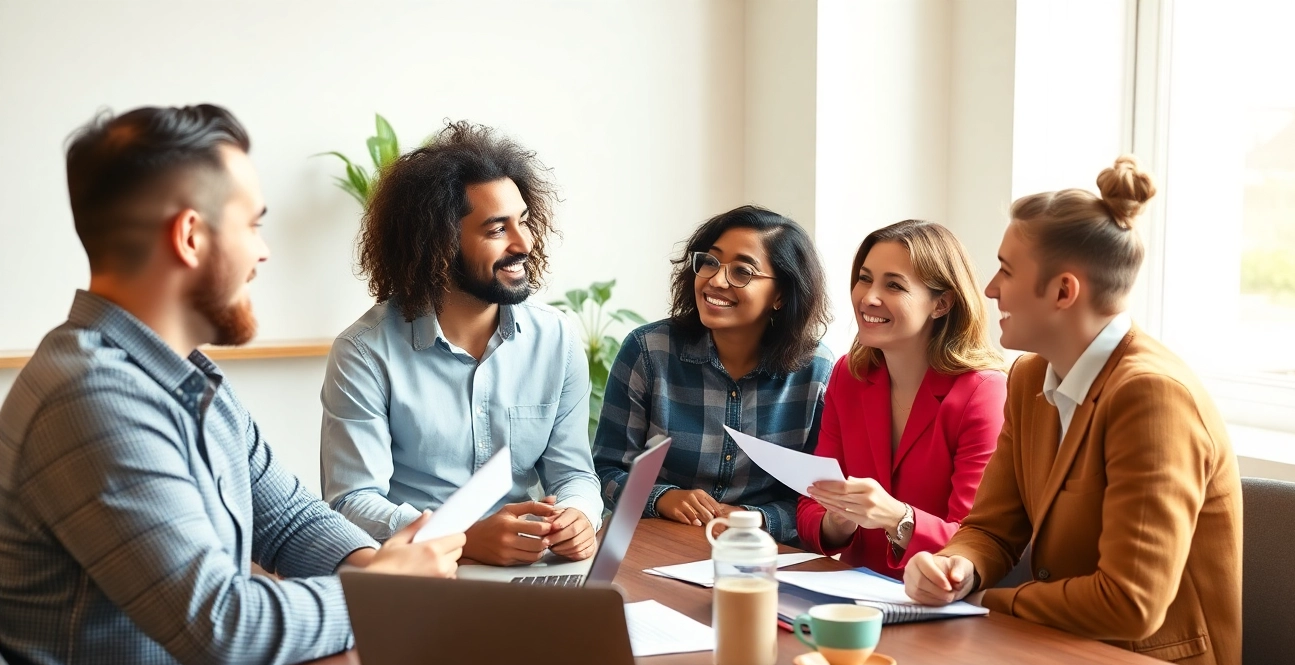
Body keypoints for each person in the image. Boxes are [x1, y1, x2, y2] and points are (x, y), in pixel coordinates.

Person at [0, 105, 464, 665]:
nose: (265, 251)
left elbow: (289, 519)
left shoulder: (181, 377)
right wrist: (383, 595)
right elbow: (220, 628)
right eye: (252, 224)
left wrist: (378, 566)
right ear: (191, 237)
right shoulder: (93, 397)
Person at [905, 157, 1242, 665]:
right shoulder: (1031, 377)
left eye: (1006, 270)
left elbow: (1130, 604)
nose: (989, 289)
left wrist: (984, 604)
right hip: (1061, 664)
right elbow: (990, 528)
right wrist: (957, 567)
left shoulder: (1151, 395)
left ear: (1063, 291)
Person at [321, 120, 602, 566]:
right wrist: (462, 539)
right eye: (497, 230)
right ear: (439, 243)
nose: (523, 243)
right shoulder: (364, 352)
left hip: (529, 570)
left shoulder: (558, 340)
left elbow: (574, 474)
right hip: (416, 577)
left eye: (524, 222)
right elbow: (352, 501)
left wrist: (579, 515)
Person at [592, 206, 832, 545]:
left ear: (780, 295)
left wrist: (757, 519)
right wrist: (662, 498)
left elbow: (817, 499)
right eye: (710, 262)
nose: (716, 280)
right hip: (657, 544)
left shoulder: (816, 371)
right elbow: (605, 470)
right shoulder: (648, 351)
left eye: (742, 271)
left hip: (761, 554)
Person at [796, 221, 1006, 578]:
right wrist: (836, 520)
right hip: (853, 594)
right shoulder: (850, 373)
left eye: (893, 285)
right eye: (865, 278)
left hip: (941, 603)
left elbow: (979, 541)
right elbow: (810, 505)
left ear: (942, 303)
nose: (868, 297)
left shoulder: (982, 392)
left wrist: (898, 518)